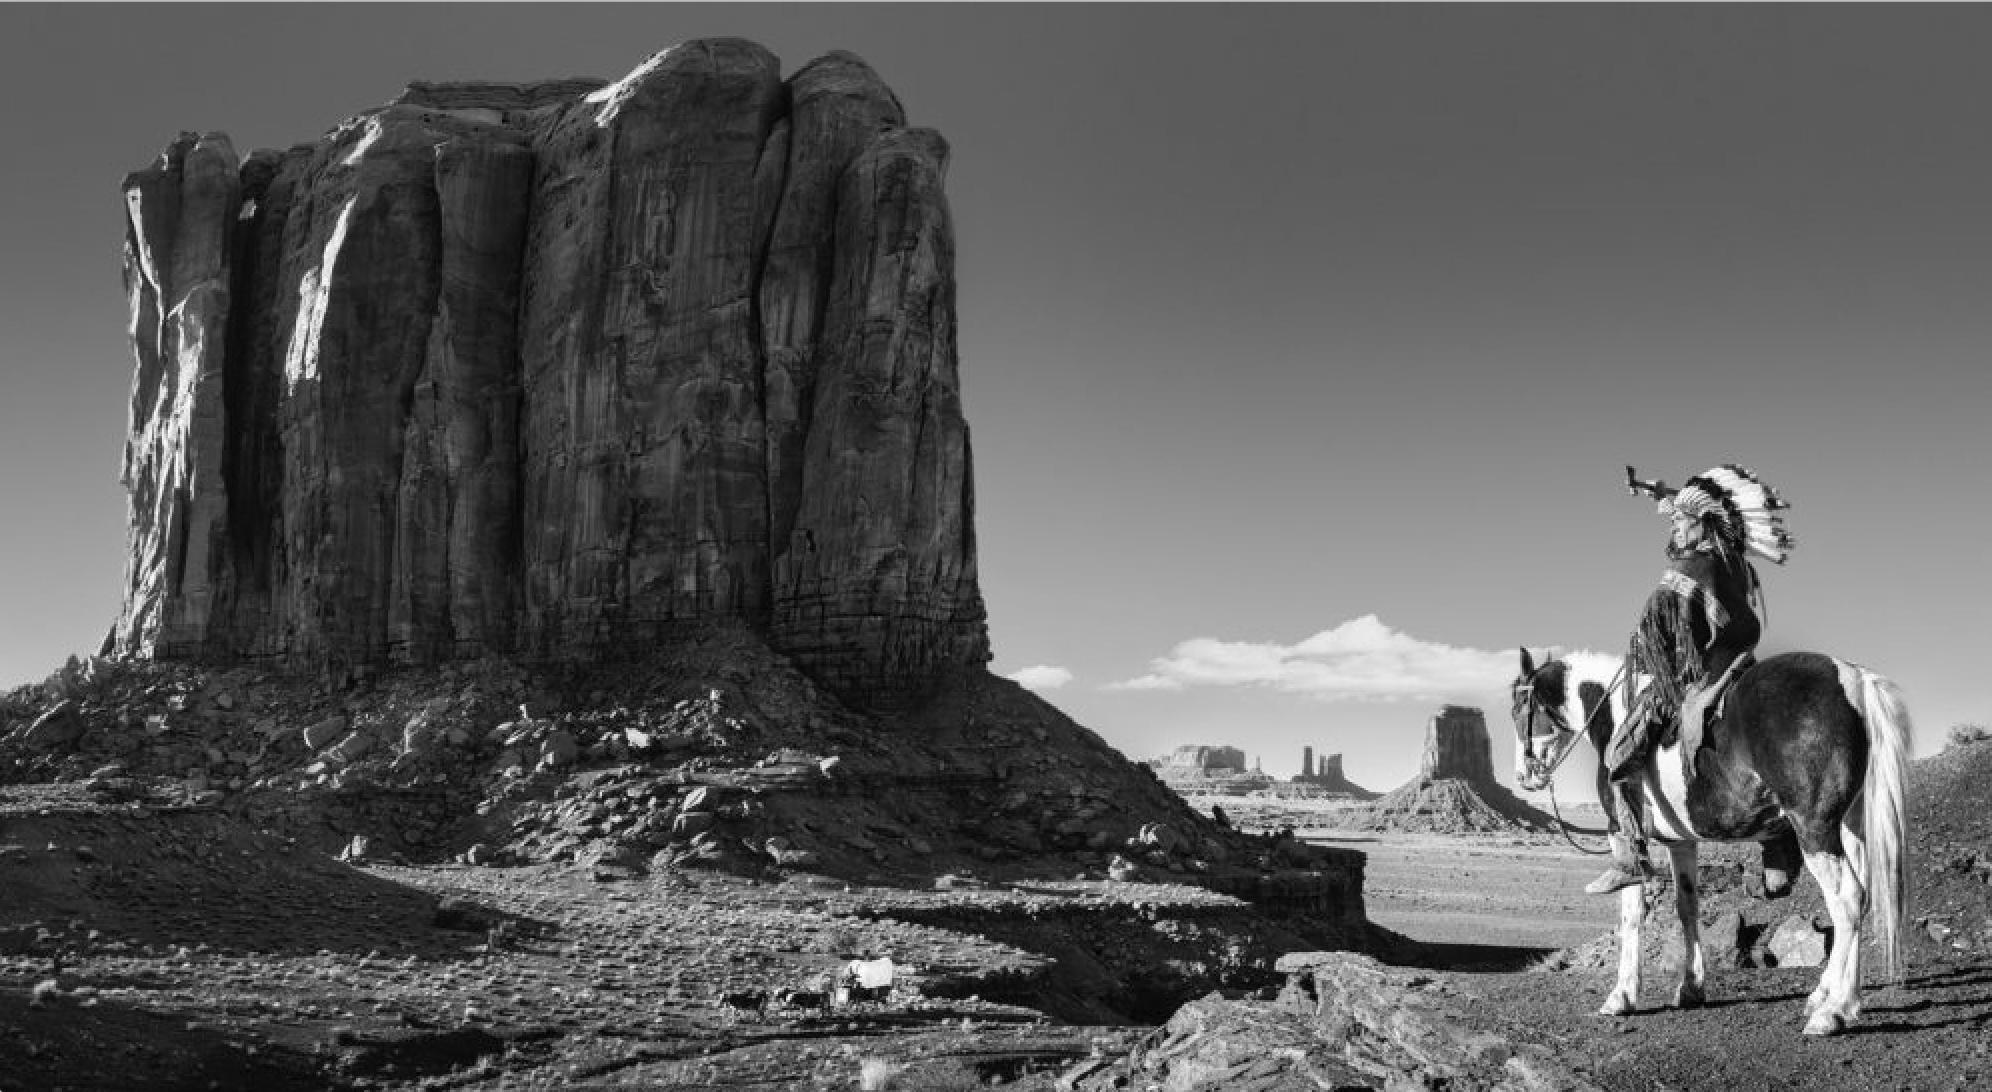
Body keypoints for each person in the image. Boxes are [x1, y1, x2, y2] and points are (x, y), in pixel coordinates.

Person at [1588, 465, 1794, 895]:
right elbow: (1682, 508)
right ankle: (1779, 847)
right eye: (1675, 520)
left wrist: (1645, 654)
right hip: (1741, 664)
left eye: (1682, 522)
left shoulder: (1692, 569)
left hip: (1695, 675)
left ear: (1704, 525)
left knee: (1617, 758)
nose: (1675, 527)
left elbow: (1660, 619)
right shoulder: (1732, 562)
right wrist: (1655, 494)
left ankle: (1632, 857)